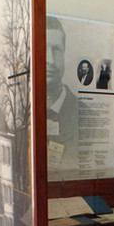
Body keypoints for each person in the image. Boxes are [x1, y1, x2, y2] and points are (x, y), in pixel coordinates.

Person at [46, 17, 81, 170]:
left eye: (56, 50)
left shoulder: (83, 115)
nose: (50, 60)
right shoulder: (22, 116)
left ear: (64, 54)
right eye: (42, 50)